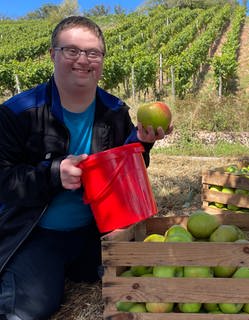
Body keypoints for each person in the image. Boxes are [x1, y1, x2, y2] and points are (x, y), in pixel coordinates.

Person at [0, 16, 172, 320]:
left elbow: (124, 174)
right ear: (53, 55)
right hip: (37, 232)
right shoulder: (18, 113)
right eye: (72, 51)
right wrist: (53, 173)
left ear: (102, 59)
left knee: (144, 280)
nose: (83, 60)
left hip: (94, 230)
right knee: (28, 310)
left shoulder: (115, 112)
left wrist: (143, 144)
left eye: (93, 53)